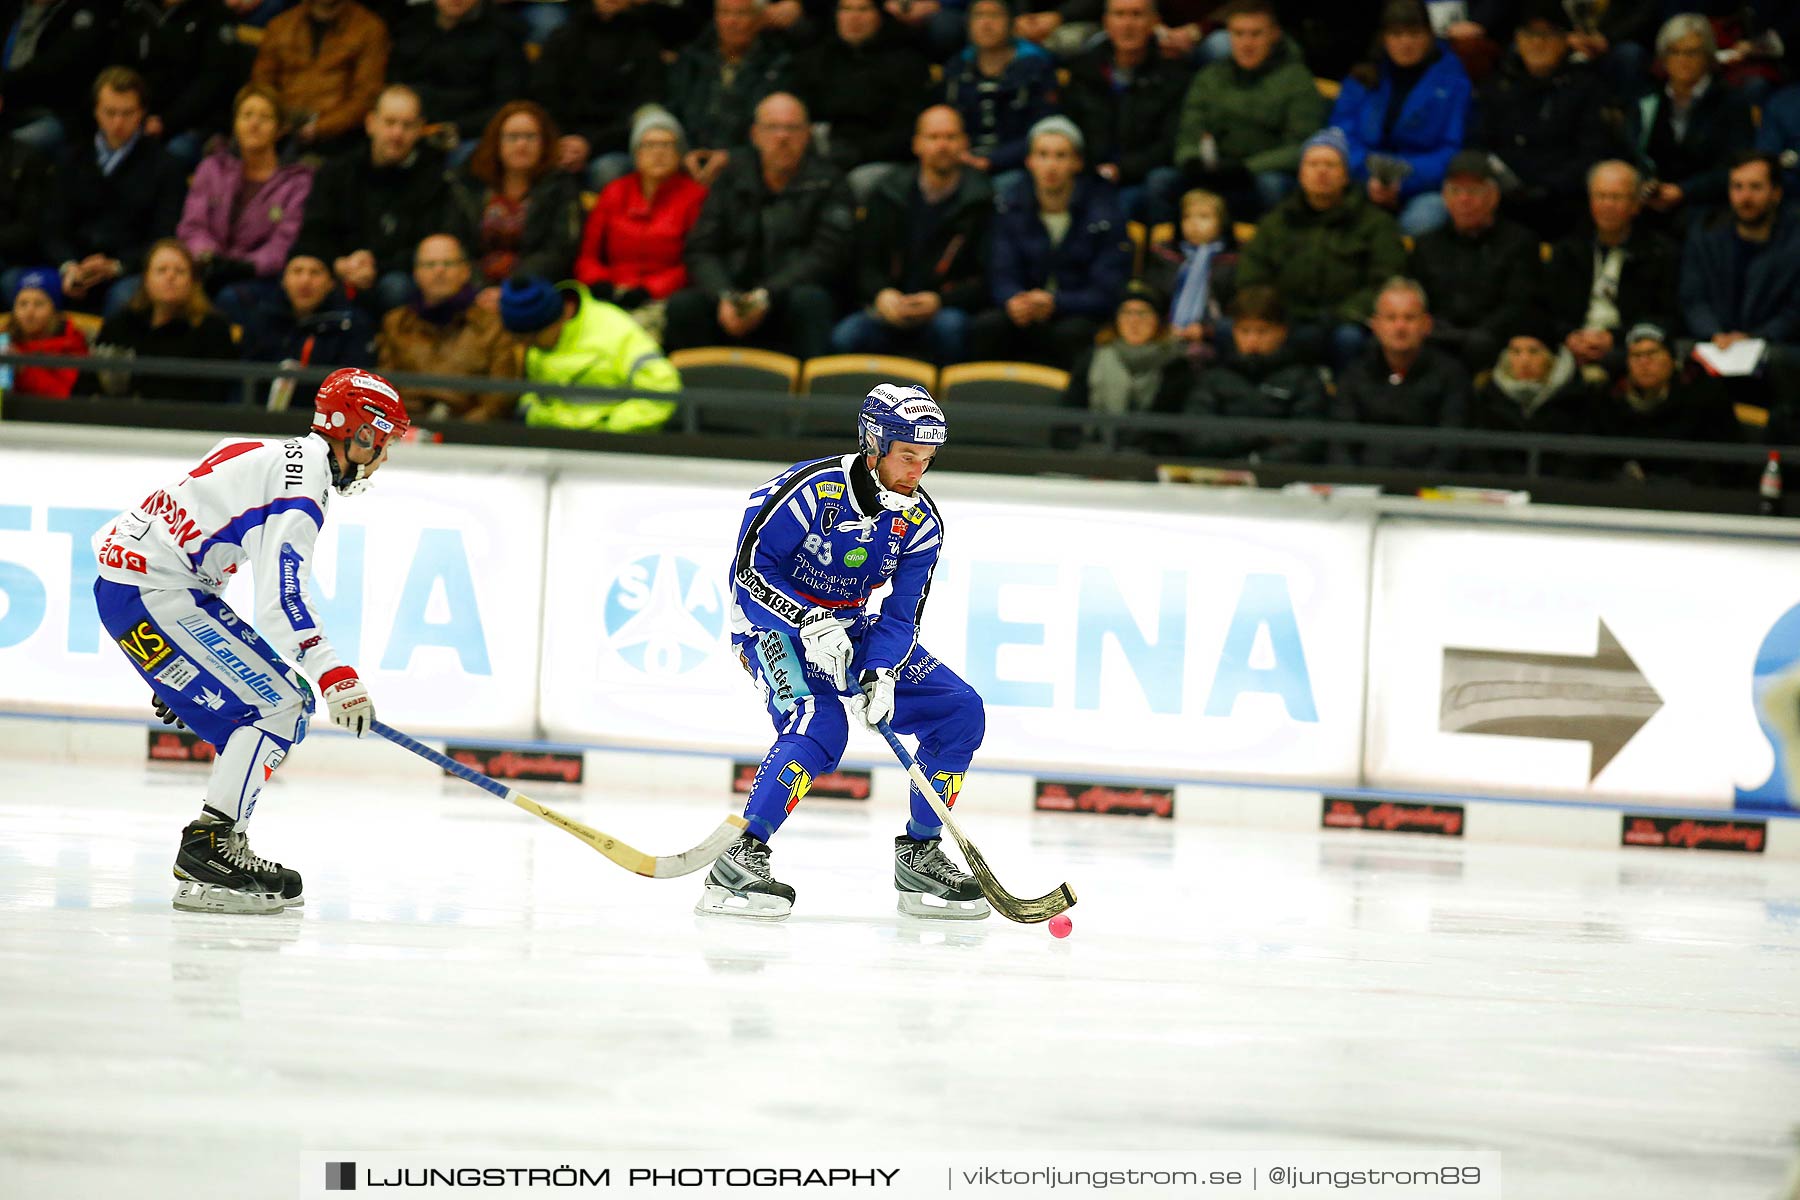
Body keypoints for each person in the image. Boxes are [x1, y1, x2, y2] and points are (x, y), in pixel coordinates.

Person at [90, 367, 408, 914]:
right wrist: (336, 675)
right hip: (155, 594)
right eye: (382, 442)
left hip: (138, 590)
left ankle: (217, 840)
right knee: (283, 705)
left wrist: (180, 666)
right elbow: (281, 602)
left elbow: (192, 526)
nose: (383, 457)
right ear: (360, 434)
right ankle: (210, 847)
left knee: (276, 703)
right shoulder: (303, 490)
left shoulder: (262, 449)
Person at [698, 384, 989, 921]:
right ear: (874, 444)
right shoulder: (806, 491)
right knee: (819, 724)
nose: (916, 472)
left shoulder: (920, 521)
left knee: (959, 711)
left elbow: (902, 615)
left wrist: (879, 670)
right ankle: (739, 858)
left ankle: (921, 855)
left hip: (852, 628)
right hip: (771, 627)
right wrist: (806, 620)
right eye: (907, 457)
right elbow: (748, 575)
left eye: (926, 460)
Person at [664, 93, 854, 360]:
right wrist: (724, 295)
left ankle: (806, 400)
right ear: (755, 134)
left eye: (792, 128)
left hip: (787, 296)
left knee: (811, 302)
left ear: (807, 134)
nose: (782, 137)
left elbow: (827, 255)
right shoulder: (730, 178)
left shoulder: (829, 182)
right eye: (772, 127)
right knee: (684, 306)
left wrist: (766, 296)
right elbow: (701, 248)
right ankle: (689, 398)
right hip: (732, 296)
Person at [831, 105, 993, 365]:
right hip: (889, 307)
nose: (942, 145)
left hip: (944, 310)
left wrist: (939, 300)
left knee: (951, 330)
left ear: (964, 143)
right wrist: (881, 294)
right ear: (917, 144)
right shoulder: (887, 193)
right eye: (933, 137)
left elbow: (986, 278)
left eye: (951, 137)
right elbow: (863, 262)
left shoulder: (982, 200)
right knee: (847, 336)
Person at [1234, 128, 1406, 371]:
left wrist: (1344, 314)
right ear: (1301, 173)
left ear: (1346, 175)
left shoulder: (1375, 224)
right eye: (1313, 164)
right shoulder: (1274, 222)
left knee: (1349, 338)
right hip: (1285, 319)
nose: (1321, 171)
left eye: (1331, 164)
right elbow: (1251, 277)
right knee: (1241, 330)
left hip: (1346, 321)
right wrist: (1276, 315)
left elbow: (1385, 280)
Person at [968, 115, 1130, 368]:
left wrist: (1057, 302)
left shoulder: (1104, 214)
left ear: (1077, 162)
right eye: (1043, 155)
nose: (1051, 166)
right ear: (1029, 161)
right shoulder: (1009, 207)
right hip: (1024, 310)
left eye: (1060, 156)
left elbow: (1107, 290)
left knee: (1072, 334)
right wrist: (1013, 299)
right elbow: (1000, 271)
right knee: (988, 327)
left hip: (1076, 312)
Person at [1468, 0, 1622, 242]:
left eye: (1547, 35)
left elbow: (1593, 153)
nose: (1537, 43)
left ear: (1565, 41)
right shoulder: (1497, 86)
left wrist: (1548, 187)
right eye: (1529, 34)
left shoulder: (1586, 87)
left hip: (1564, 202)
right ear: (1517, 40)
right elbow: (1479, 144)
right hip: (1505, 201)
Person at [294, 85, 450, 316]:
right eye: (389, 123)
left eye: (407, 125)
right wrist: (339, 264)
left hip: (395, 277)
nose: (397, 133)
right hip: (337, 270)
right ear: (371, 123)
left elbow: (429, 247)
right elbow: (313, 232)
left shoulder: (434, 181)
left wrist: (373, 266)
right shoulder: (337, 172)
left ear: (419, 129)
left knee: (396, 287)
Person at [47, 67, 186, 318]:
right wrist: (68, 265)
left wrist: (116, 266)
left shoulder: (166, 166)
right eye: (110, 113)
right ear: (96, 112)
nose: (118, 122)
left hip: (130, 269)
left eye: (127, 113)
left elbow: (164, 235)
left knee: (123, 297)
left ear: (141, 113)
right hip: (74, 264)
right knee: (23, 284)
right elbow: (53, 225)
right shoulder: (71, 158)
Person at [1327, 0, 1472, 239]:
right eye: (1396, 34)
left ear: (1430, 36)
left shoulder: (1454, 82)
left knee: (1425, 218)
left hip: (1424, 186)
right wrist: (1369, 176)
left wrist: (1403, 180)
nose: (1405, 43)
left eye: (1414, 34)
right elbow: (1341, 133)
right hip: (1363, 178)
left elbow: (1452, 150)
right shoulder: (1363, 76)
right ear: (1384, 38)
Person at [1172, 0, 1327, 220]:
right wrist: (1191, 159)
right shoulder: (1210, 76)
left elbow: (1301, 146)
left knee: (1272, 185)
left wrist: (1247, 168)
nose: (1247, 43)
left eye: (1256, 34)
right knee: (1162, 181)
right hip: (1214, 171)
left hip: (1260, 175)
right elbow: (1189, 131)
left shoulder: (1298, 81)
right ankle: (1170, 249)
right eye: (1238, 33)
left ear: (1274, 35)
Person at [176, 84, 316, 327]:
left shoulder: (296, 181)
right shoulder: (212, 167)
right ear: (235, 123)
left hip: (262, 277)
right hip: (207, 269)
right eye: (247, 115)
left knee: (229, 298)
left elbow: (285, 241)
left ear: (280, 129)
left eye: (265, 117)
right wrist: (211, 258)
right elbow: (192, 226)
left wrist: (246, 266)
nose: (254, 124)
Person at [1404, 150, 1540, 373]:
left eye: (1473, 191)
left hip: (1493, 341)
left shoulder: (1520, 243)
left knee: (1480, 345)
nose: (1464, 199)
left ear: (1493, 196)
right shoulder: (1426, 245)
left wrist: (1479, 333)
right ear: (1445, 198)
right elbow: (1416, 299)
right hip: (1438, 339)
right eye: (1456, 191)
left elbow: (1520, 305)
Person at [1540, 159, 1678, 374]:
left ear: (1635, 205)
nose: (1607, 205)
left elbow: (1665, 315)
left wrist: (1614, 337)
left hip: (1628, 346)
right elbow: (1546, 309)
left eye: (1616, 197)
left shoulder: (1659, 252)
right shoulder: (1568, 248)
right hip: (1571, 344)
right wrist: (1570, 336)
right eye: (1601, 196)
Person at [1059, 0, 1189, 224]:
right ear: (1106, 22)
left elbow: (1170, 143)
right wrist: (1090, 168)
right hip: (1087, 173)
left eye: (1136, 15)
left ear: (1154, 22)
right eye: (1119, 14)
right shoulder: (1083, 70)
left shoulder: (1174, 76)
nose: (1127, 24)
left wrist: (1122, 170)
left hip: (1140, 178)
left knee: (1123, 204)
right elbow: (1069, 129)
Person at [443, 101, 584, 305]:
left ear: (544, 143)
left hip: (535, 289)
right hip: (473, 289)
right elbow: (456, 244)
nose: (521, 144)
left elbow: (559, 250)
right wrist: (480, 288)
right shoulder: (470, 185)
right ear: (497, 143)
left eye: (530, 137)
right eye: (512, 137)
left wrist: (509, 288)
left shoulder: (561, 186)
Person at [499, 274, 681, 431]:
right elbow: (533, 394)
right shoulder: (534, 342)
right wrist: (530, 413)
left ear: (559, 318)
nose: (528, 347)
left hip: (613, 450)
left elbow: (663, 393)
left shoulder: (616, 331)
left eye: (533, 339)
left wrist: (606, 429)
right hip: (551, 442)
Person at [573, 108, 709, 317]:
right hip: (610, 292)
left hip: (663, 298)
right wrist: (600, 282)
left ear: (680, 154)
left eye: (667, 145)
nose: (658, 152)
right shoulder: (614, 192)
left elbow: (694, 263)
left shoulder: (695, 197)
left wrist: (649, 289)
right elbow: (588, 256)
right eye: (649, 145)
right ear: (636, 154)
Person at [1626, 14, 1755, 227]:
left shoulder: (1731, 102)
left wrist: (1684, 191)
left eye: (1692, 52)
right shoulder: (1648, 100)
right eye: (1674, 52)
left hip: (1707, 206)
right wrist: (1647, 186)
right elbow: (1632, 154)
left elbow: (1737, 167)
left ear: (1707, 56)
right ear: (1663, 58)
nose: (1683, 60)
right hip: (1651, 203)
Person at [1329, 276, 1470, 471]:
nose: (1400, 327)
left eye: (1409, 318)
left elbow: (1452, 446)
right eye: (1391, 318)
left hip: (1428, 492)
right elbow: (1341, 444)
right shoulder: (1354, 375)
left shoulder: (1451, 375)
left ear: (1427, 324)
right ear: (1375, 325)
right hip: (1364, 490)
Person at [792, 0, 930, 198]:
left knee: (856, 184)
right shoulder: (816, 59)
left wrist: (861, 152)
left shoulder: (906, 63)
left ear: (879, 15)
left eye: (863, 9)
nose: (853, 17)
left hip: (880, 160)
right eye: (846, 9)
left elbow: (908, 130)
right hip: (822, 152)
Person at [378, 234, 520, 421]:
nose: (439, 271)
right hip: (406, 435)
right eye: (429, 264)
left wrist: (459, 432)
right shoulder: (396, 323)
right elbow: (383, 390)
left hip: (469, 436)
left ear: (465, 271)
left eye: (448, 264)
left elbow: (499, 398)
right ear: (416, 274)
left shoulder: (492, 326)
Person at [530, 0, 669, 191]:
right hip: (561, 139)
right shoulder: (563, 37)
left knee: (608, 170)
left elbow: (643, 107)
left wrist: (590, 144)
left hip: (614, 145)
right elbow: (543, 95)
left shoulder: (645, 43)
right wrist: (561, 140)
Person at [1181, 283, 1326, 463]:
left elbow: (1308, 443)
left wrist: (1257, 460)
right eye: (1245, 331)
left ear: (1282, 332)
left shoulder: (1304, 380)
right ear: (1233, 331)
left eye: (1262, 331)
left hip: (1281, 481)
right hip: (1218, 478)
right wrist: (1260, 437)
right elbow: (1196, 437)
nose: (1252, 339)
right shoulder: (1214, 378)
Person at [86, 239, 239, 405]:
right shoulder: (122, 324)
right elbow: (90, 384)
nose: (170, 276)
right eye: (161, 270)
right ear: (145, 279)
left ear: (193, 281)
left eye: (180, 271)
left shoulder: (213, 329)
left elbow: (214, 395)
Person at [667, 0, 794, 189]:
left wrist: (733, 158)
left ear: (759, 19)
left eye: (741, 14)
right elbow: (671, 110)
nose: (732, 21)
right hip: (686, 160)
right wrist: (681, 152)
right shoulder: (692, 60)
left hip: (751, 168)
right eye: (724, 13)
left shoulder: (780, 66)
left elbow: (780, 130)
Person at [1593, 322, 1740, 485]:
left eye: (1652, 353)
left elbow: (1725, 464)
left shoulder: (1704, 395)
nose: (1644, 362)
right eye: (1636, 356)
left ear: (1672, 359)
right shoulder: (1610, 400)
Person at [387, 0, 527, 167]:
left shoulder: (504, 32)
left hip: (469, 133)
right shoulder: (410, 23)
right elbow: (393, 85)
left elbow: (508, 103)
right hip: (412, 125)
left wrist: (457, 128)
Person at [251, 0, 391, 158]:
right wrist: (275, 120)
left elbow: (366, 97)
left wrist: (318, 127)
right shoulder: (280, 25)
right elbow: (261, 86)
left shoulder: (369, 29)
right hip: (280, 130)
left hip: (338, 140)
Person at [938, 0, 1059, 181]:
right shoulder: (956, 69)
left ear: (1011, 22)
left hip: (1017, 165)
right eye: (979, 15)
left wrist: (993, 160)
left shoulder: (1034, 68)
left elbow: (1044, 129)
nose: (986, 23)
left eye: (995, 15)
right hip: (962, 162)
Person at [1063, 282, 1190, 453]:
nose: (1134, 321)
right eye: (1126, 312)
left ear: (1158, 321)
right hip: (1091, 457)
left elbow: (1176, 433)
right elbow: (1066, 423)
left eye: (1143, 313)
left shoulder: (1176, 366)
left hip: (1149, 462)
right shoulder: (1092, 358)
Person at [111, 0, 240, 168]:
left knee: (170, 156)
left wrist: (166, 121)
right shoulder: (137, 8)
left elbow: (212, 83)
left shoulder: (216, 15)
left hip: (193, 123)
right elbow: (119, 68)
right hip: (137, 113)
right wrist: (132, 113)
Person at [240, 252, 379, 408]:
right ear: (283, 280)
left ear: (331, 283)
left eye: (315, 272)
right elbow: (243, 381)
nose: (305, 281)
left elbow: (355, 386)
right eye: (297, 271)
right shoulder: (262, 319)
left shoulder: (350, 324)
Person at [1141, 187, 1233, 353]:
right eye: (1187, 217)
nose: (1193, 223)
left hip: (1214, 338)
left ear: (1222, 222)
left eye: (1204, 217)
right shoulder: (1165, 255)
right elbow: (1151, 295)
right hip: (1164, 333)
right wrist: (1162, 326)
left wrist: (1206, 329)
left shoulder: (1233, 260)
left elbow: (1235, 307)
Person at [1, 267, 89, 399]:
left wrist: (22, 368)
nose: (29, 312)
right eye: (23, 304)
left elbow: (62, 394)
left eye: (39, 304)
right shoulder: (6, 340)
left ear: (55, 310)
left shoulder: (71, 343)